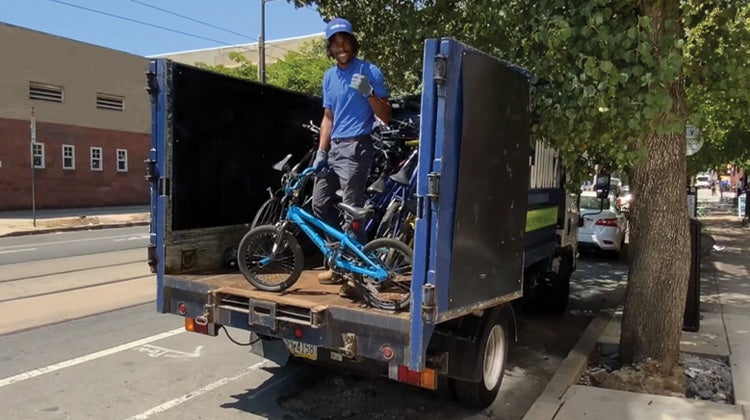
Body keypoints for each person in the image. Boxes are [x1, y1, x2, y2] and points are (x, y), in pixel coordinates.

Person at [311, 18, 392, 292]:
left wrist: (369, 93)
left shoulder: (370, 70)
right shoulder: (329, 77)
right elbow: (327, 117)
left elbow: (386, 116)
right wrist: (321, 152)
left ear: (352, 43)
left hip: (358, 147)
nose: (341, 46)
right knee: (320, 203)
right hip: (334, 148)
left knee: (352, 210)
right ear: (330, 48)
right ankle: (339, 262)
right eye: (335, 42)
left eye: (345, 40)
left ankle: (357, 276)